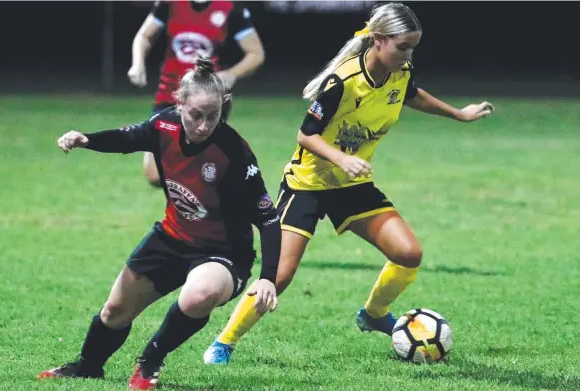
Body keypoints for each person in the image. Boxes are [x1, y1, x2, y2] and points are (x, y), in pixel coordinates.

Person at [203, 2, 495, 364]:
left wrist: (458, 114)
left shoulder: (399, 73)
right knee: (278, 276)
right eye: (403, 46)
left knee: (408, 254)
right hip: (307, 185)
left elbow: (411, 95)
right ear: (377, 40)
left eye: (413, 47)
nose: (409, 55)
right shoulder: (342, 81)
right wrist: (341, 158)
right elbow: (306, 134)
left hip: (351, 186)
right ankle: (224, 342)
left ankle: (373, 315)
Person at [37, 57, 280, 390]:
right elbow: (127, 139)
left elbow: (267, 217)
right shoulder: (163, 125)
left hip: (224, 253)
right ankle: (87, 366)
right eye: (196, 115)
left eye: (213, 116)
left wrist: (267, 278)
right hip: (172, 238)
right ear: (179, 103)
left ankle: (149, 361)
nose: (204, 125)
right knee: (115, 310)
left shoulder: (234, 151)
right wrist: (87, 140)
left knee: (199, 294)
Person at [128, 0, 266, 187]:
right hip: (169, 95)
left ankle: (220, 199)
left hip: (204, 100)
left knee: (204, 170)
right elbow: (144, 36)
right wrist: (138, 63)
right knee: (154, 174)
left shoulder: (230, 8)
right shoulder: (170, 3)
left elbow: (256, 53)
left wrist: (231, 74)